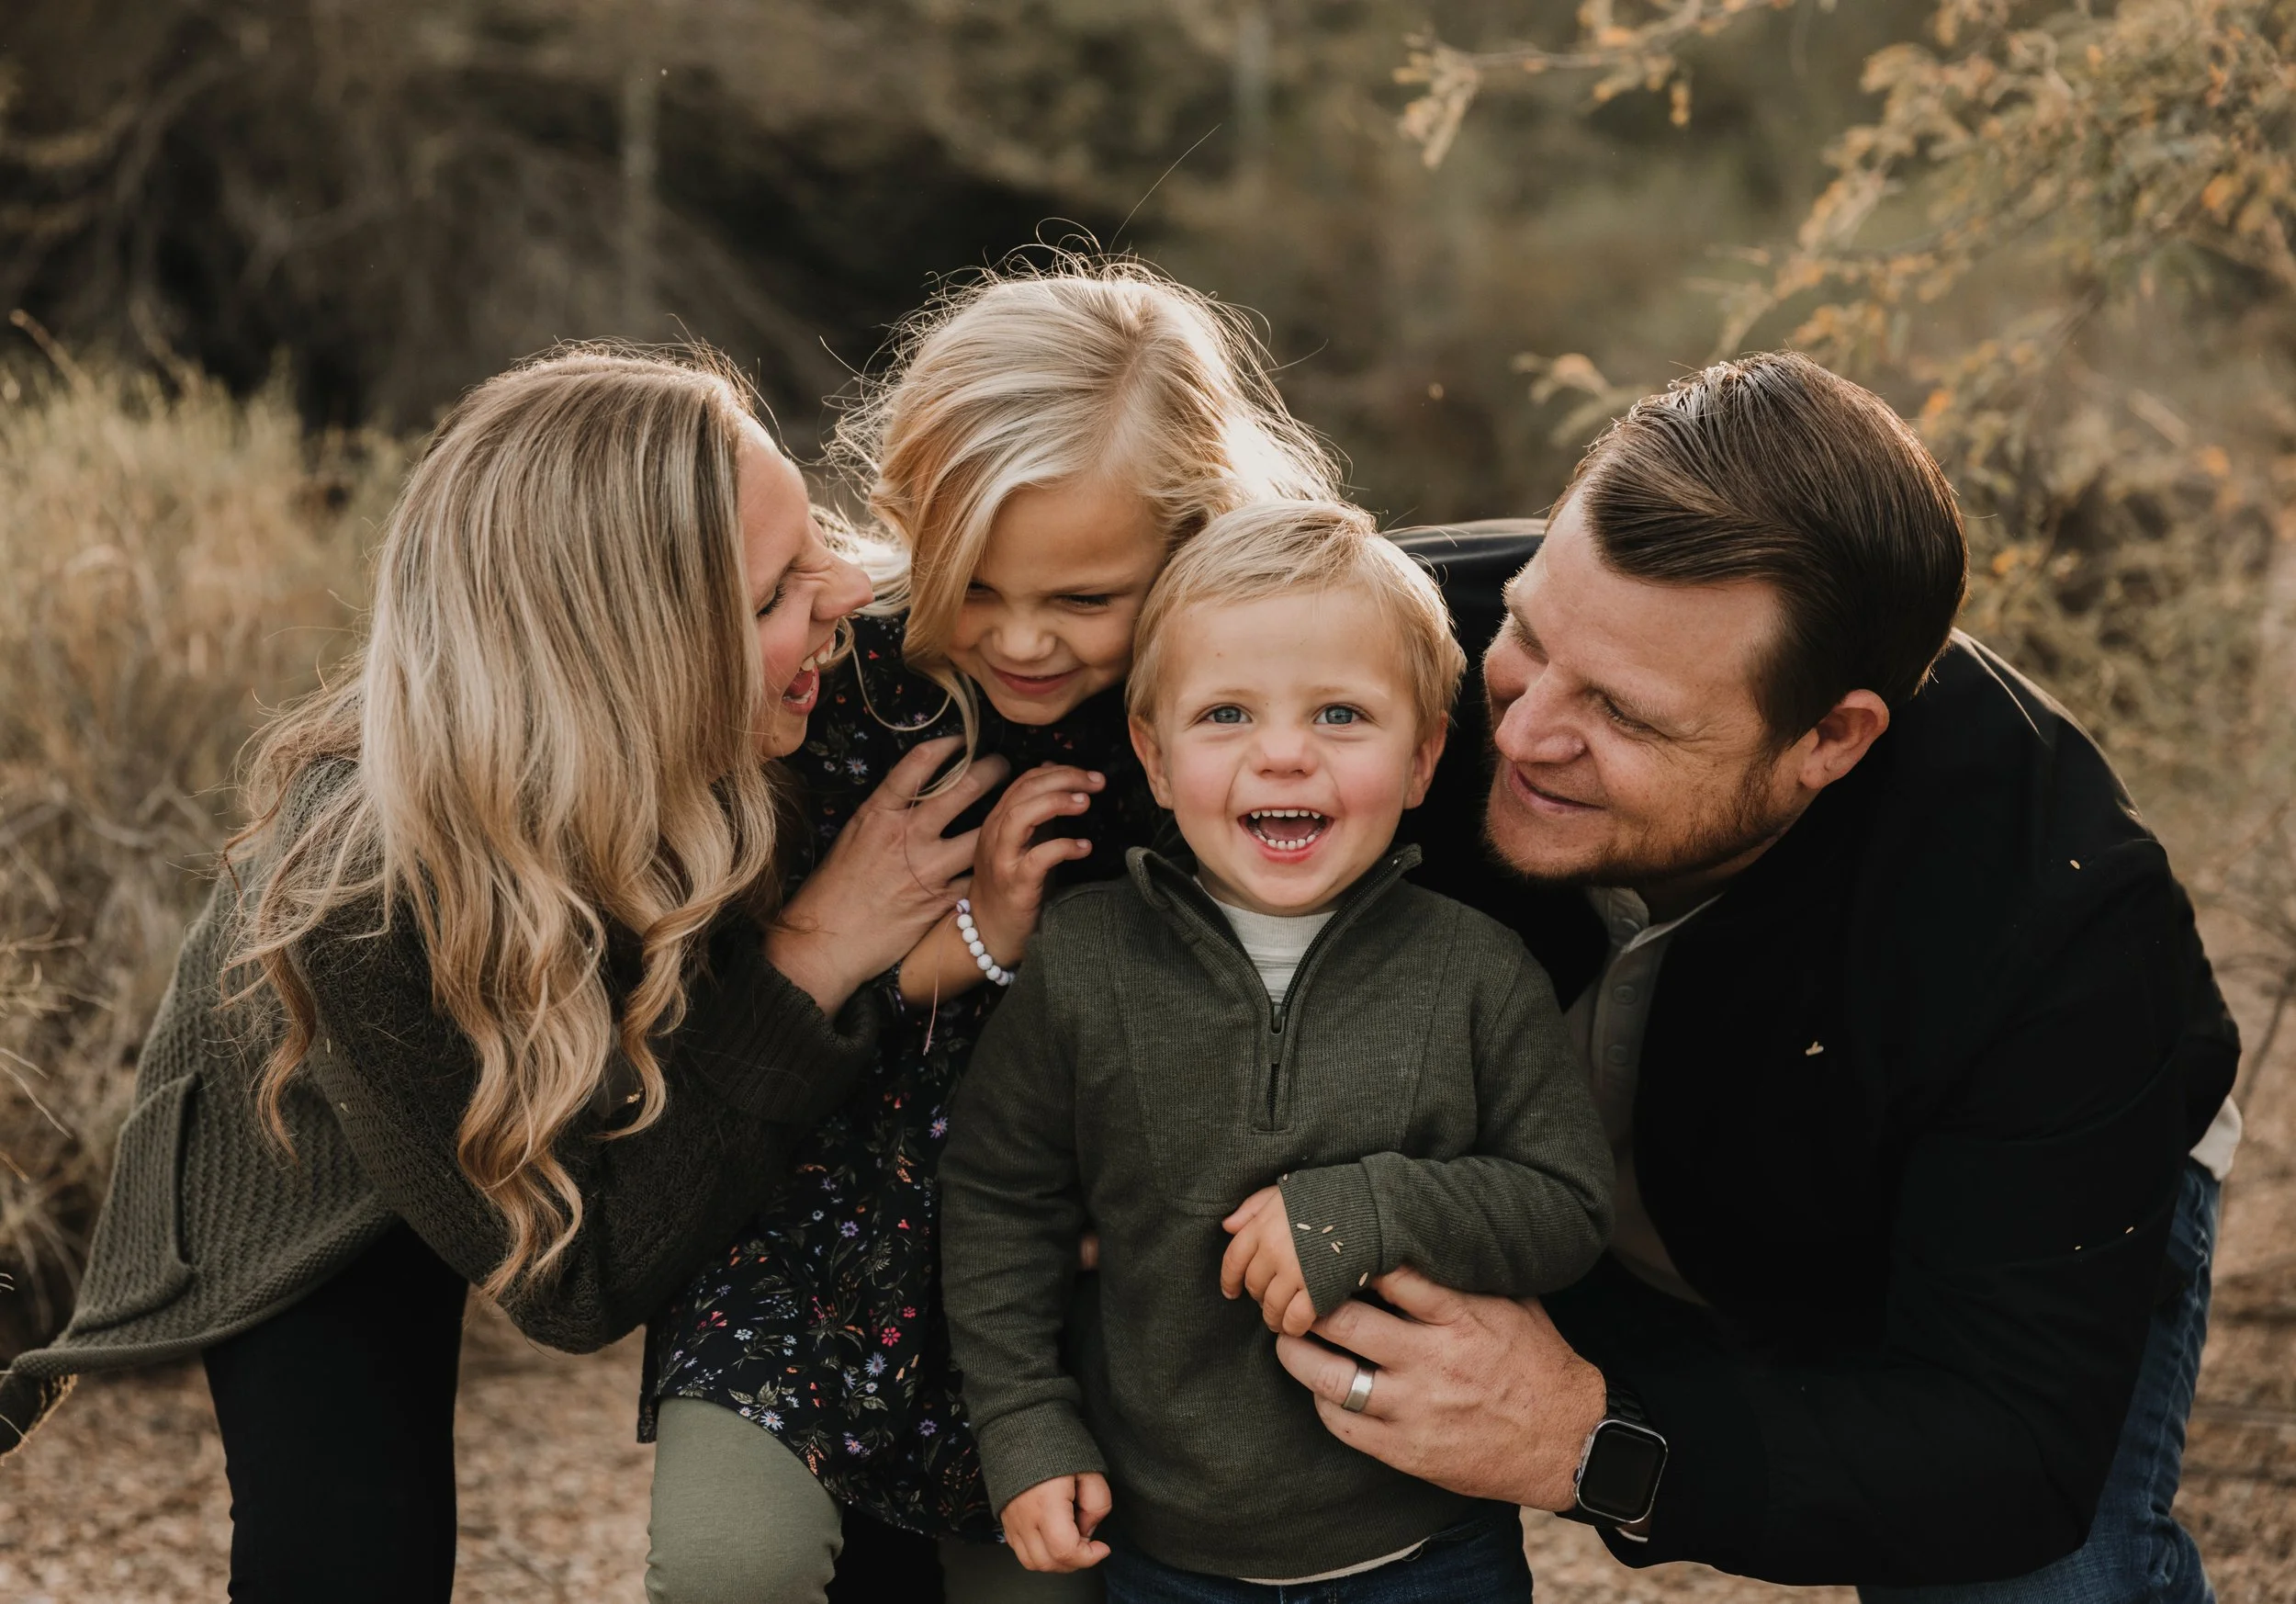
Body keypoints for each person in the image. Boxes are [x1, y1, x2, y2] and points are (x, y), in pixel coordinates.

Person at [0, 345, 997, 1604]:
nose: (842, 589)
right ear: (625, 665)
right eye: (773, 595)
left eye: (817, 545)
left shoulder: (811, 674)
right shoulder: (360, 905)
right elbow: (574, 1286)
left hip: (598, 1047)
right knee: (353, 1552)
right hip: (316, 1145)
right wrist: (815, 953)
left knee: (857, 1475)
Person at [1272, 352, 2241, 1600]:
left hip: (1912, 1229)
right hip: (1530, 1177)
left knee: (2039, 1582)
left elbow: (2004, 1447)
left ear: (1828, 741)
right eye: (1527, 629)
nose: (1518, 729)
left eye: (1622, 714)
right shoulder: (1390, 642)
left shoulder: (2054, 926)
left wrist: (1585, 1433)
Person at [640, 261, 1346, 1604]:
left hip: (1047, 1272)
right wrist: (938, 940)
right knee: (734, 1563)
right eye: (974, 583)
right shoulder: (830, 685)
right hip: (806, 1222)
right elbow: (708, 992)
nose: (1021, 639)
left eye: (1085, 600)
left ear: (1195, 538)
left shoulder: (1225, 718)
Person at [939, 501, 1614, 1603]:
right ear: (1152, 758)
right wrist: (1023, 1425)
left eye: (1342, 714)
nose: (1285, 754)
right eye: (1226, 716)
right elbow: (1001, 1201)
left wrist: (1371, 1210)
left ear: (1424, 757)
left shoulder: (1479, 972)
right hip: (1165, 1552)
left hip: (1429, 1548)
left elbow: (1566, 1207)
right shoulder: (1086, 959)